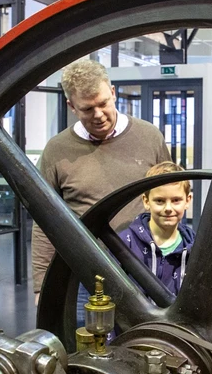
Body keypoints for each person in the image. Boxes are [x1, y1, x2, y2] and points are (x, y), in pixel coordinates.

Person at [31, 58, 171, 296]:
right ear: (71, 106)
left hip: (145, 269)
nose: (98, 115)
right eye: (87, 109)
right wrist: (41, 286)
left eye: (103, 103)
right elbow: (44, 222)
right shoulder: (56, 151)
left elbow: (169, 195)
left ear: (113, 93)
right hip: (83, 275)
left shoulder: (149, 137)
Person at [119, 161, 196, 296]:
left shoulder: (195, 247)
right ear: (146, 201)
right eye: (160, 201)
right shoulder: (124, 244)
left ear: (188, 201)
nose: (168, 208)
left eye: (176, 200)